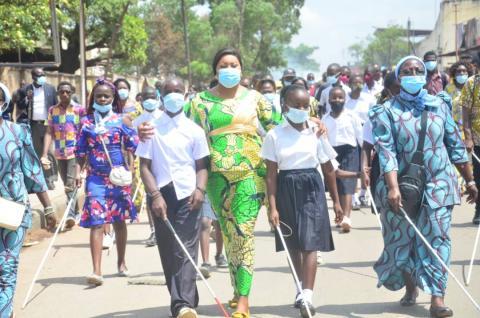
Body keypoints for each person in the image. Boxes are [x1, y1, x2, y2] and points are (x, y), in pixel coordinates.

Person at [370, 55, 477, 318]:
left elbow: (454, 143)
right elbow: (386, 152)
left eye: (418, 69)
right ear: (398, 76)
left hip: (439, 183)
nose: (415, 73)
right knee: (403, 238)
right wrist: (393, 187)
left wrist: (471, 179)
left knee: (438, 238)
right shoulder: (386, 111)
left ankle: (437, 299)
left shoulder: (439, 104)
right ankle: (411, 287)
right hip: (401, 185)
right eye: (408, 70)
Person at [185, 48, 281, 318]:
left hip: (250, 174)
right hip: (216, 176)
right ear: (216, 70)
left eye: (234, 65)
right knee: (228, 233)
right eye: (224, 65)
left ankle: (244, 301)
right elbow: (181, 129)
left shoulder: (255, 98)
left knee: (243, 232)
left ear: (241, 69)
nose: (229, 69)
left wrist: (311, 123)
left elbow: (278, 126)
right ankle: (237, 291)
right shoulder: (199, 102)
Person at [262, 85, 343, 317]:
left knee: (310, 242)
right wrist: (273, 207)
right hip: (286, 187)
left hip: (311, 188)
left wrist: (335, 201)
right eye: (295, 105)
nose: (300, 109)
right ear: (284, 105)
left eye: (305, 105)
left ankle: (307, 295)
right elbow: (270, 175)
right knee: (294, 244)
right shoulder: (274, 135)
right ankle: (299, 289)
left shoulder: (317, 132)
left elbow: (328, 169)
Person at [137, 78, 210, 318]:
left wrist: (200, 190)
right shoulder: (151, 127)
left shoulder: (195, 130)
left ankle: (182, 305)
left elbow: (202, 165)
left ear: (186, 94)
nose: (174, 95)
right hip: (161, 194)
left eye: (178, 91)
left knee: (184, 248)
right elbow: (144, 167)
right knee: (168, 250)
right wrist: (155, 195)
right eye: (169, 91)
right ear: (161, 94)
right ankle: (186, 296)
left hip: (189, 194)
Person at [0, 82, 57, 317]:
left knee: (6, 266)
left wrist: (48, 207)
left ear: (2, 101)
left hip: (12, 211)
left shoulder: (18, 132)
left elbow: (32, 171)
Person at [75, 79, 139, 286]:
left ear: (113, 99)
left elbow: (133, 146)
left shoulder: (122, 121)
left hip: (117, 177)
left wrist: (131, 167)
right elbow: (80, 151)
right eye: (99, 96)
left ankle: (121, 262)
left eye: (106, 96)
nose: (102, 99)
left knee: (119, 220)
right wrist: (78, 173)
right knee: (97, 221)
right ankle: (96, 271)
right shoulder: (85, 122)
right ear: (93, 98)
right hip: (95, 177)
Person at [41, 81, 86, 229]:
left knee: (69, 184)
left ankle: (70, 215)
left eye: (67, 92)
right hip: (59, 153)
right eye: (62, 92)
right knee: (68, 185)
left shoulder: (79, 110)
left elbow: (84, 132)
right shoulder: (52, 110)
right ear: (58, 93)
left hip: (75, 152)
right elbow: (48, 132)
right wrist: (44, 154)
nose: (65, 94)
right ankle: (77, 212)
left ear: (71, 93)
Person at [323, 87, 363, 233]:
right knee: (337, 185)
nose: (337, 100)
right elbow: (323, 139)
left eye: (340, 97)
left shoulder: (352, 117)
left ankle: (347, 217)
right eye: (334, 97)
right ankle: (339, 215)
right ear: (329, 100)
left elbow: (360, 137)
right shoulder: (325, 119)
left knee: (348, 184)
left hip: (350, 151)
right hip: (332, 152)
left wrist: (365, 159)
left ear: (345, 100)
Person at [16, 67, 58, 190]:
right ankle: (41, 179)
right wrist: (26, 99)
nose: (42, 77)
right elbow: (19, 106)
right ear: (33, 77)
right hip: (34, 125)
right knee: (38, 152)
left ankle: (50, 178)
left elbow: (55, 105)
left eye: (43, 74)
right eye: (39, 75)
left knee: (48, 152)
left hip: (48, 125)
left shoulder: (50, 88)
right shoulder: (25, 90)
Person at [132, 86, 164, 247]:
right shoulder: (137, 121)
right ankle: (154, 231)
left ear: (158, 98)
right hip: (146, 166)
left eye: (152, 96)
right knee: (151, 196)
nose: (149, 100)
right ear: (141, 100)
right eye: (146, 97)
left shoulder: (165, 118)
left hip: (164, 164)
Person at [461, 63, 480, 225]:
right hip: (477, 139)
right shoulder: (471, 83)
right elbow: (465, 113)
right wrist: (468, 137)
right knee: (479, 176)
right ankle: (479, 210)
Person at [445, 61, 474, 137]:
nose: (461, 73)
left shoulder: (473, 87)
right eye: (459, 71)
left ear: (468, 73)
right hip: (454, 128)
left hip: (472, 128)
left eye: (464, 71)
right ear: (454, 74)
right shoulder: (448, 88)